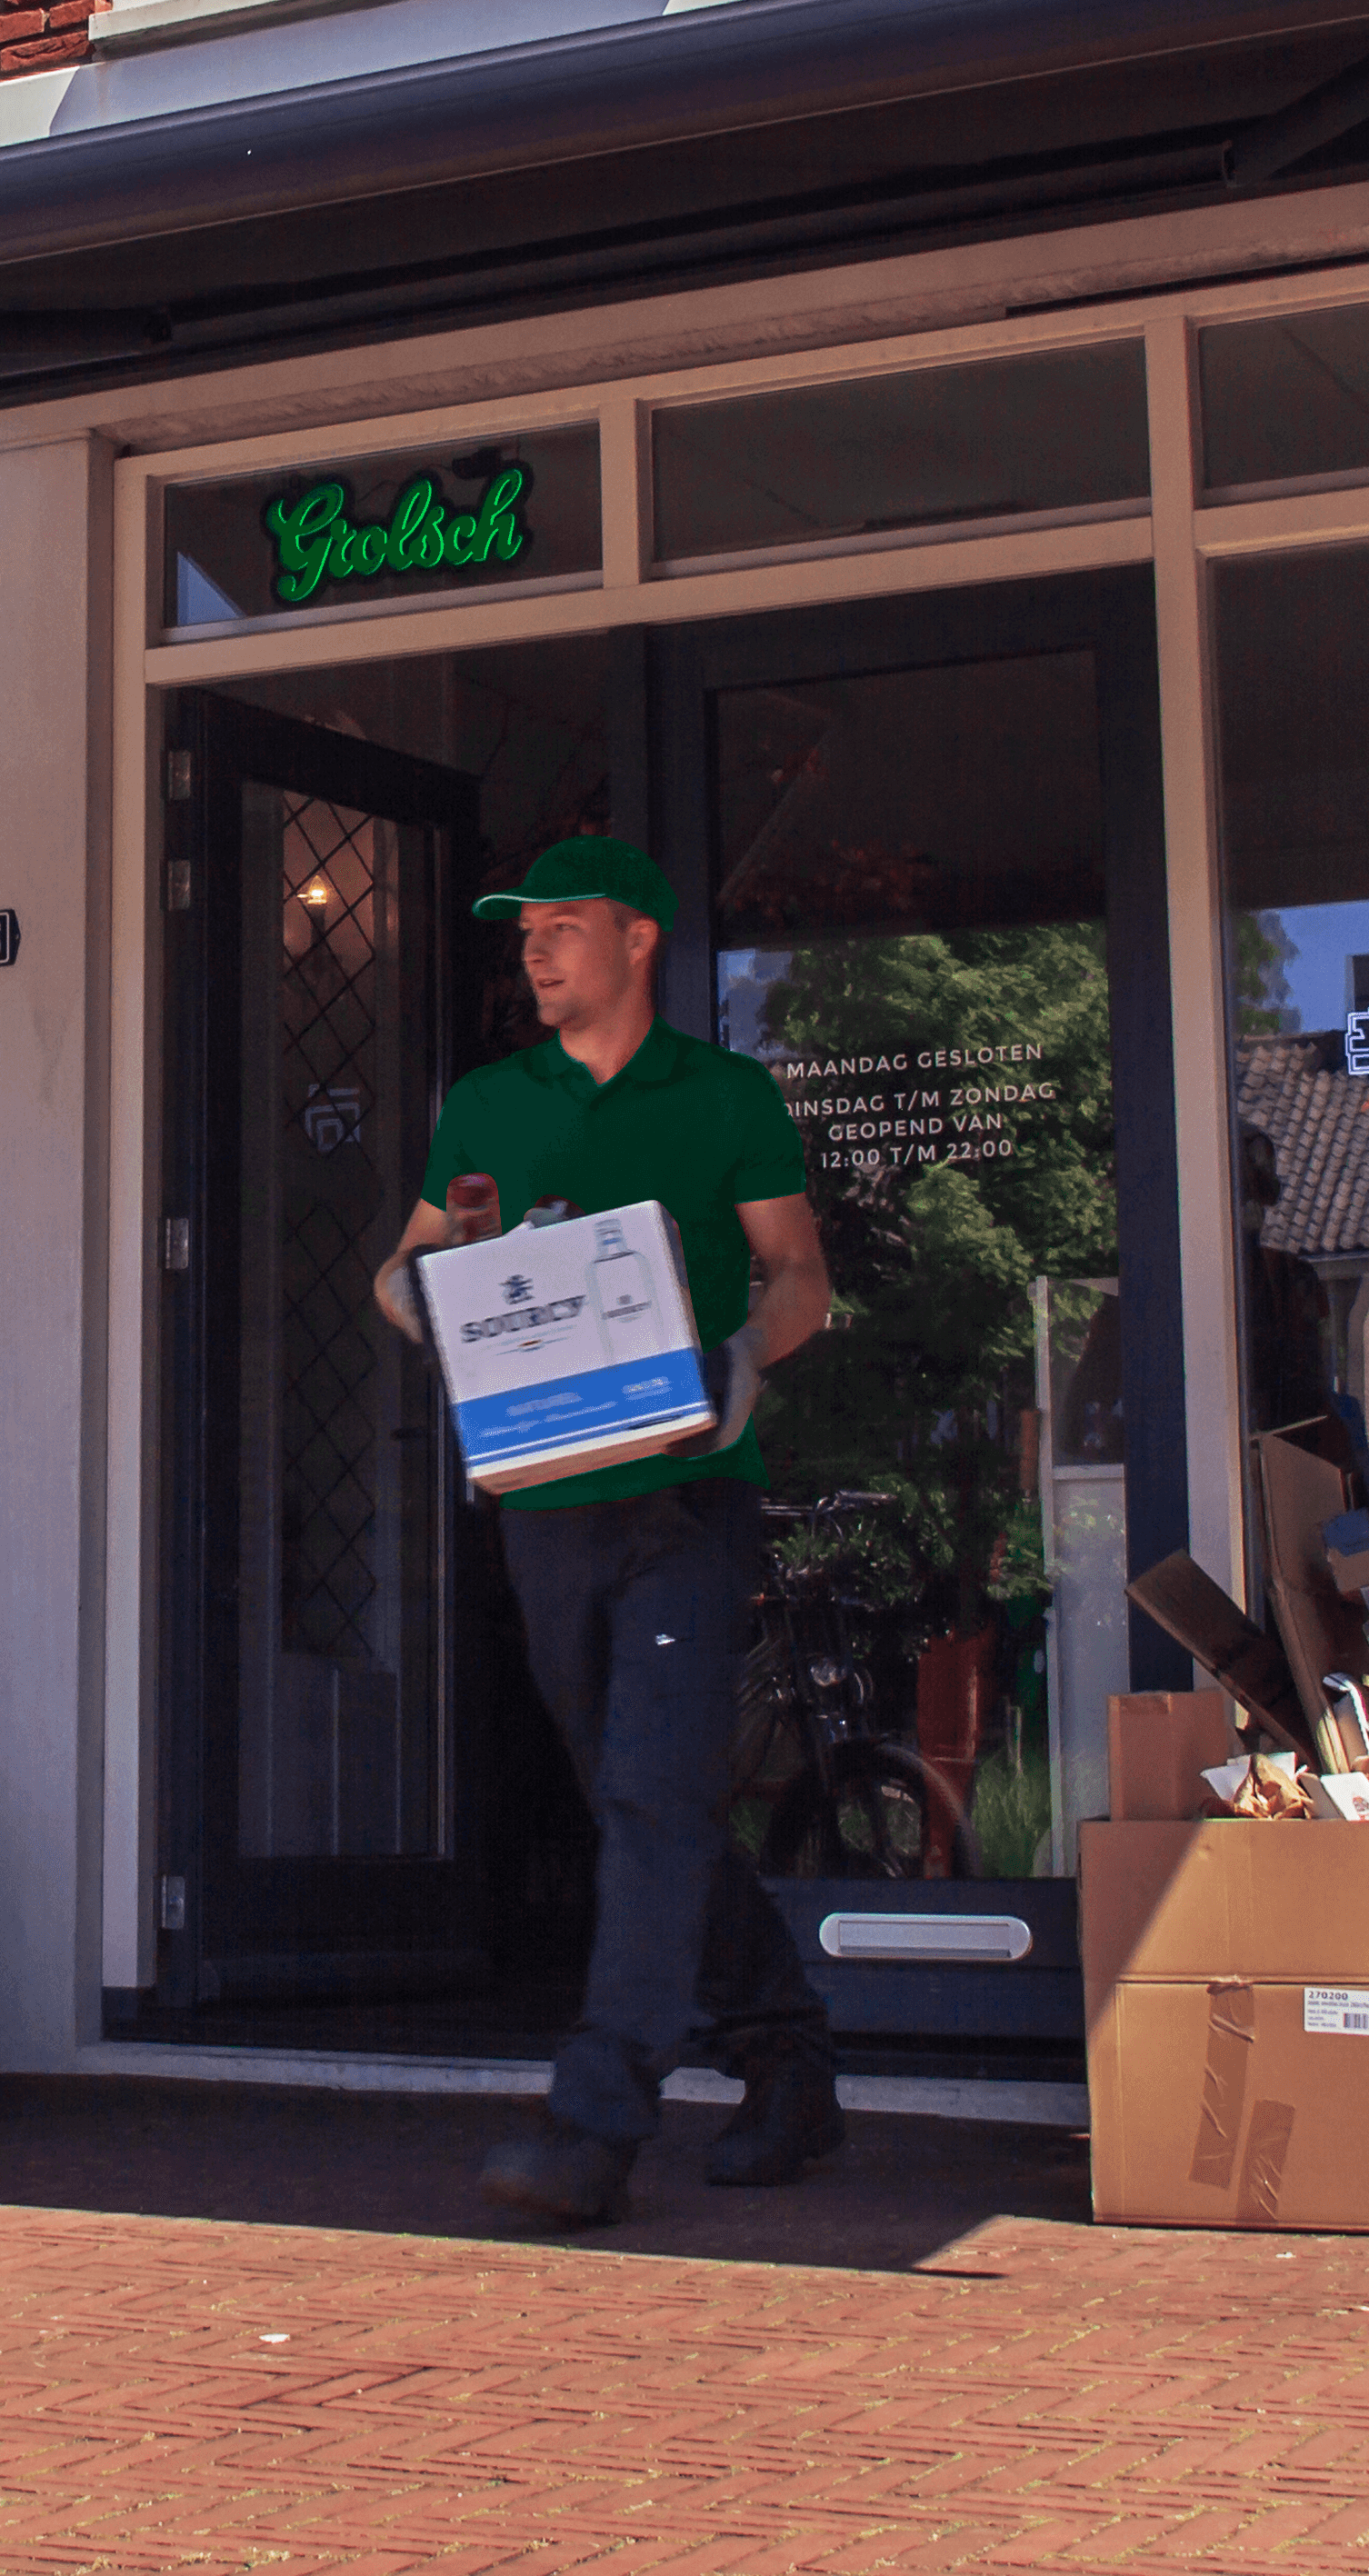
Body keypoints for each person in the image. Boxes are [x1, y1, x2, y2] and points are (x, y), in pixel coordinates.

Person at [372, 834, 839, 2229]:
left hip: (689, 1494)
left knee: (648, 1798)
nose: (534, 950)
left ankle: (597, 2122)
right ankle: (790, 2060)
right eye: (523, 932)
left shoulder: (725, 1095)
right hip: (543, 1503)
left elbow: (800, 1271)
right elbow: (402, 1268)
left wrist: (752, 1355)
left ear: (639, 939)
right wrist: (428, 1303)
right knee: (641, 1800)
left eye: (562, 926)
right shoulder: (488, 1108)